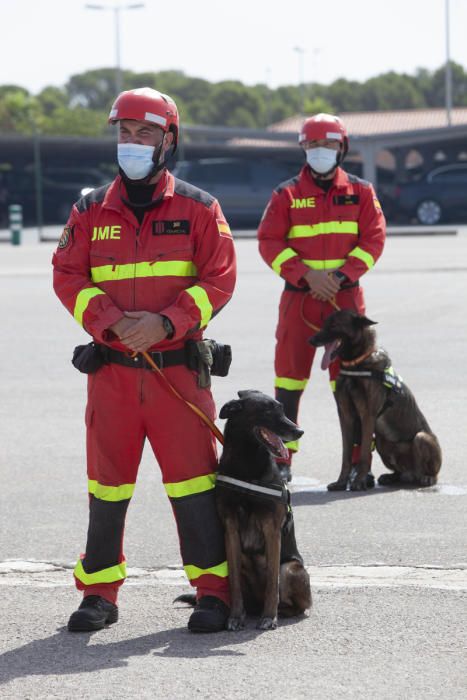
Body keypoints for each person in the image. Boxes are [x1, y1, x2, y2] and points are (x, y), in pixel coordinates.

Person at [53, 87, 236, 633]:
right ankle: (100, 593)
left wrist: (165, 322)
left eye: (144, 134)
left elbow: (219, 279)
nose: (131, 143)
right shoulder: (89, 209)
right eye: (124, 134)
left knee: (195, 485)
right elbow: (68, 276)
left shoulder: (200, 208)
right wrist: (108, 320)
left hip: (178, 374)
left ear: (168, 140)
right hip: (111, 375)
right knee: (108, 487)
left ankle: (213, 591)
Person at [257, 113, 386, 484]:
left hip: (345, 302)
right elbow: (269, 242)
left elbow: (374, 240)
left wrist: (340, 277)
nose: (320, 151)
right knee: (290, 383)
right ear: (303, 148)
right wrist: (306, 275)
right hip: (300, 301)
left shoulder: (361, 191)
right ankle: (282, 462)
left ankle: (361, 465)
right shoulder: (286, 194)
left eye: (328, 144)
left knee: (355, 383)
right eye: (312, 145)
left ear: (341, 148)